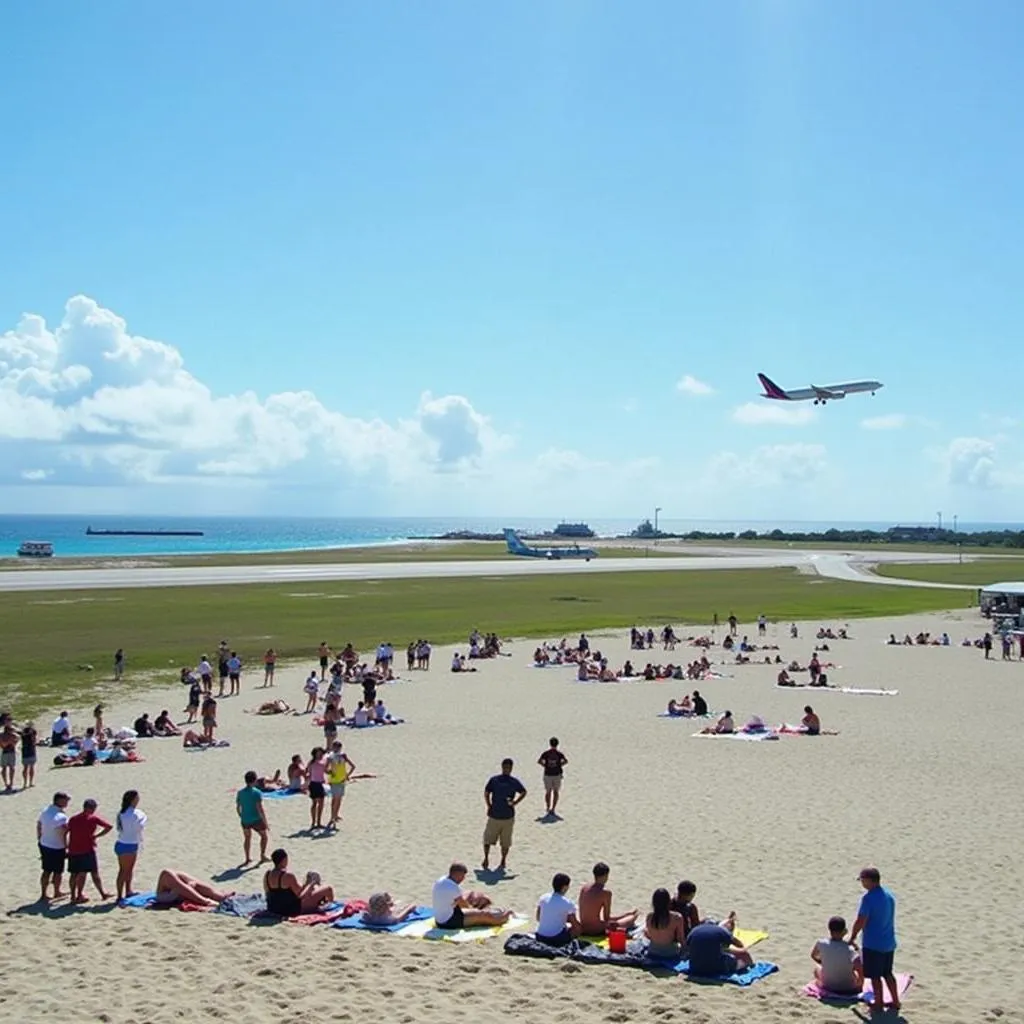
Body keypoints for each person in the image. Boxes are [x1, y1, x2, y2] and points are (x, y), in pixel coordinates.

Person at [849, 866, 900, 1012]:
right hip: (889, 942)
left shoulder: (868, 898)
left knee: (875, 977)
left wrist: (852, 937)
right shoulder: (889, 895)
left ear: (870, 880)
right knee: (888, 973)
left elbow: (861, 920)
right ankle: (895, 1001)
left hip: (873, 944)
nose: (862, 884)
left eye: (863, 880)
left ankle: (878, 1003)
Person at [431, 861, 510, 930]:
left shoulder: (441, 880)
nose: (463, 879)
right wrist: (475, 911)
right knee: (484, 915)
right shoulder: (453, 887)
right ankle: (506, 915)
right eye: (462, 876)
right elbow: (464, 906)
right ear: (457, 874)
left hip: (439, 918)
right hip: (448, 922)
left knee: (468, 894)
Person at [483, 758, 527, 871]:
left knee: (505, 842)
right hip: (494, 815)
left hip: (508, 816)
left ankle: (503, 860)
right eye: (505, 767)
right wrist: (489, 805)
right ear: (502, 767)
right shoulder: (495, 780)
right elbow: (487, 792)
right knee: (488, 839)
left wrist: (515, 803)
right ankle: (486, 858)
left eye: (509, 767)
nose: (507, 769)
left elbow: (523, 792)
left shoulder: (513, 781)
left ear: (511, 768)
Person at [66, 798, 113, 903]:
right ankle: (96, 894)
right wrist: (96, 836)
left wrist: (66, 845)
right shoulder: (93, 819)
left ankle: (73, 896)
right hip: (87, 850)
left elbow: (67, 831)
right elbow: (109, 827)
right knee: (91, 873)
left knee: (74, 874)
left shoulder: (73, 819)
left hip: (73, 849)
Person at [263, 848, 334, 917]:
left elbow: (267, 892)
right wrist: (311, 884)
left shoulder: (267, 874)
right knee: (328, 889)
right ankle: (330, 908)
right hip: (292, 910)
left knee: (314, 889)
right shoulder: (288, 876)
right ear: (284, 860)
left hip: (273, 908)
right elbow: (301, 895)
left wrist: (307, 884)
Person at [578, 862, 638, 935]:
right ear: (605, 875)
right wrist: (626, 914)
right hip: (595, 930)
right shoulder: (605, 892)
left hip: (583, 927)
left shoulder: (584, 888)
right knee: (632, 917)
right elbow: (607, 918)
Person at [811, 915, 863, 995]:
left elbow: (813, 955)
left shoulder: (821, 943)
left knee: (816, 968)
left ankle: (821, 982)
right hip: (848, 987)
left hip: (828, 986)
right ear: (844, 931)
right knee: (854, 971)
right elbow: (860, 968)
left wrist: (822, 962)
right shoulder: (850, 949)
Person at [687, 918, 753, 976]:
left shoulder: (694, 930)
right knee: (738, 960)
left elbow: (687, 947)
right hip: (715, 969)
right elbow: (738, 944)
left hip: (694, 968)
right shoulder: (721, 931)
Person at [37, 791, 71, 901]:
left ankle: (43, 894)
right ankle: (57, 891)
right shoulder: (61, 817)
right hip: (57, 847)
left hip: (44, 844)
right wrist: (67, 847)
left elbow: (39, 825)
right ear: (59, 801)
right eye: (66, 800)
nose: (67, 802)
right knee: (57, 871)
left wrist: (40, 838)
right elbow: (65, 832)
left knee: (46, 870)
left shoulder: (45, 811)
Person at [114, 789, 147, 902]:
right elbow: (140, 826)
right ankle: (120, 895)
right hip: (129, 844)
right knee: (124, 870)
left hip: (121, 843)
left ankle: (128, 890)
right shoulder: (136, 814)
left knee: (126, 870)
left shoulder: (121, 813)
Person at [535, 873, 580, 946]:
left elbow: (538, 918)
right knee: (575, 930)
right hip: (556, 938)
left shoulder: (543, 898)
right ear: (565, 887)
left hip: (540, 936)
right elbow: (575, 925)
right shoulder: (567, 903)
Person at [236, 771, 270, 864]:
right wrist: (266, 822)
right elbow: (260, 809)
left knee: (247, 838)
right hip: (256, 819)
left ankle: (247, 858)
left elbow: (238, 807)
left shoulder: (240, 792)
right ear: (254, 780)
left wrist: (241, 816)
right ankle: (262, 855)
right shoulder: (257, 793)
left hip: (245, 819)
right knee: (264, 836)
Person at [643, 888, 687, 959]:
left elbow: (649, 936)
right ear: (668, 901)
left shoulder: (649, 916)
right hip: (670, 953)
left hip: (653, 951)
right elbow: (680, 938)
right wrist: (685, 950)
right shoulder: (677, 917)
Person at [156, 869, 233, 908]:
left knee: (177, 874)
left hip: (173, 893)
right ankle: (207, 900)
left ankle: (217, 895)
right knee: (167, 873)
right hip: (165, 895)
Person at [325, 740, 355, 829]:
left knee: (338, 799)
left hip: (341, 780)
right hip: (335, 780)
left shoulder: (343, 756)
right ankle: (333, 816)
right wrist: (331, 772)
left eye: (338, 747)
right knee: (335, 799)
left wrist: (347, 775)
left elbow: (353, 766)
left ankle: (335, 815)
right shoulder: (330, 757)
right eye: (335, 747)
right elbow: (326, 769)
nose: (337, 749)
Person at [537, 737, 567, 816]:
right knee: (556, 791)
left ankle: (548, 807)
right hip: (556, 774)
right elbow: (566, 761)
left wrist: (545, 766)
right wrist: (559, 766)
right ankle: (553, 808)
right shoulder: (559, 754)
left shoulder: (546, 753)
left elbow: (539, 761)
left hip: (548, 774)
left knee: (548, 791)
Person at [306, 747, 327, 829]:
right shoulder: (311, 763)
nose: (320, 754)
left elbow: (325, 770)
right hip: (314, 783)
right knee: (314, 803)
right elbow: (308, 772)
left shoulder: (323, 761)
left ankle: (319, 822)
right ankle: (313, 822)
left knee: (321, 804)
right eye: (318, 753)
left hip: (321, 783)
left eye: (321, 753)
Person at [0, 719, 17, 791]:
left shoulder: (13, 735)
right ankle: (6, 783)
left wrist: (13, 741)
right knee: (4, 768)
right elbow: (3, 745)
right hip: (5, 752)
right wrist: (9, 741)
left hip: (12, 752)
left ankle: (11, 783)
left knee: (12, 768)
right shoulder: (1, 736)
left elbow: (15, 743)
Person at [21, 720, 38, 789]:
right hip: (31, 750)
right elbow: (34, 741)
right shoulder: (33, 732)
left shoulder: (23, 732)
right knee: (31, 767)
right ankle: (30, 782)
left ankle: (25, 783)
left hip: (25, 751)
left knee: (25, 767)